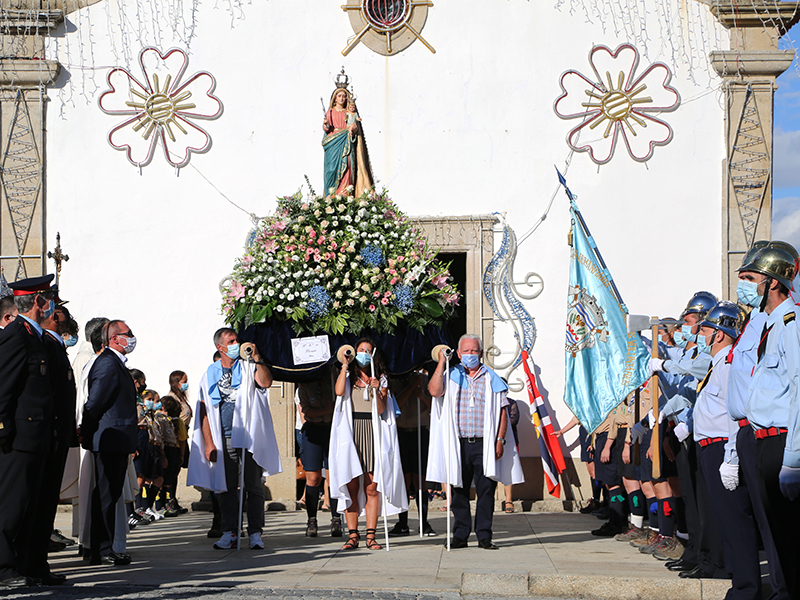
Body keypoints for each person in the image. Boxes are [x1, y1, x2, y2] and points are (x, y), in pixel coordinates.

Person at [736, 243, 800, 598]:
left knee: (790, 540)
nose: (745, 285)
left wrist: (793, 460)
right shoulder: (768, 325)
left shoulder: (792, 323)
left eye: (751, 277)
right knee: (776, 536)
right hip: (763, 441)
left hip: (783, 444)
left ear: (773, 281)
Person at [187, 328, 281, 550]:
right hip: (224, 437)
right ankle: (230, 531)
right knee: (226, 487)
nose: (236, 343)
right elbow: (204, 409)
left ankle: (256, 532)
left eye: (237, 340)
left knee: (254, 486)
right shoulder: (210, 373)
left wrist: (257, 358)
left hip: (249, 437)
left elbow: (266, 383)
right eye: (231, 341)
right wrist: (209, 442)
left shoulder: (248, 367)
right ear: (220, 347)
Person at [427, 334, 524, 549]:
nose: (470, 355)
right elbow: (434, 391)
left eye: (474, 351)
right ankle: (461, 534)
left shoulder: (491, 378)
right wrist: (442, 362)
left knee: (486, 490)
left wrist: (499, 440)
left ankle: (484, 535)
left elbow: (502, 412)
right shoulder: (450, 375)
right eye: (466, 351)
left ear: (480, 353)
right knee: (458, 490)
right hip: (459, 442)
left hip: (484, 443)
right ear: (459, 354)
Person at [0, 275, 57, 588]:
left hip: (36, 436)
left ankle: (24, 566)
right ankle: (3, 568)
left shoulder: (35, 336)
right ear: (38, 301)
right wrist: (3, 428)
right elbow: (3, 386)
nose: (52, 304)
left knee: (29, 507)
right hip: (18, 437)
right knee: (10, 506)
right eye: (49, 298)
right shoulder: (16, 335)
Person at [18, 302, 78, 583]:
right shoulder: (47, 346)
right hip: (49, 436)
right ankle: (32, 564)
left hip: (56, 436)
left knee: (45, 505)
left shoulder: (53, 346)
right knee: (39, 505)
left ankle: (37, 564)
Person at [329, 338, 407, 550]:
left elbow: (382, 409)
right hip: (352, 431)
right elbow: (338, 392)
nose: (364, 353)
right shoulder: (347, 376)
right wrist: (345, 365)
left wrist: (375, 390)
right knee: (352, 485)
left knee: (372, 487)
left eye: (368, 351)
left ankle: (371, 535)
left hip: (373, 431)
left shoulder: (380, 379)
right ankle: (353, 535)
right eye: (361, 350)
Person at [79, 320, 138, 566]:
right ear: (114, 339)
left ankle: (99, 547)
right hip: (109, 438)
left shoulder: (116, 363)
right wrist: (87, 430)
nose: (132, 338)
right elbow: (95, 402)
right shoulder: (108, 363)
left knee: (108, 494)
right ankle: (101, 548)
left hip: (116, 438)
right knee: (105, 494)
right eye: (128, 334)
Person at [390, 370, 436, 536]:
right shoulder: (393, 380)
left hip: (420, 431)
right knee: (403, 480)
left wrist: (422, 395)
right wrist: (409, 388)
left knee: (420, 479)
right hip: (401, 432)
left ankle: (424, 523)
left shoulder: (425, 379)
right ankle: (402, 523)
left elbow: (435, 406)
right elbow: (394, 406)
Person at [296, 372, 341, 537]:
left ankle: (336, 518)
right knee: (313, 478)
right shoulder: (304, 387)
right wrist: (326, 409)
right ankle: (312, 519)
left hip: (332, 429)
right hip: (313, 431)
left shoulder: (334, 379)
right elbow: (307, 412)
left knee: (333, 477)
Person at [322, 82, 374, 198]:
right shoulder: (330, 112)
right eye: (339, 96)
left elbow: (355, 127)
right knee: (331, 170)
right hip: (333, 144)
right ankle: (330, 196)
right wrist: (325, 125)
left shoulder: (349, 113)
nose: (342, 98)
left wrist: (353, 128)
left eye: (344, 96)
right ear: (335, 98)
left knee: (348, 167)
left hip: (347, 142)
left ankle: (345, 194)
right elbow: (327, 130)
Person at [502, 396, 521, 514]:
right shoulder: (487, 399)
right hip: (489, 441)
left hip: (509, 440)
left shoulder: (511, 403)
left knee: (508, 469)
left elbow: (514, 420)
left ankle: (508, 500)